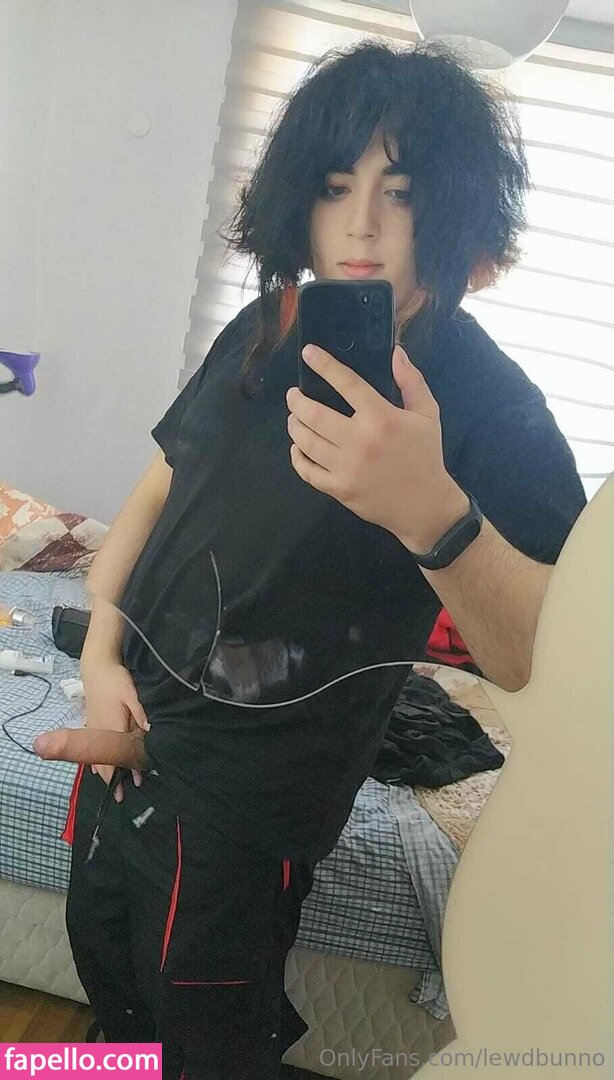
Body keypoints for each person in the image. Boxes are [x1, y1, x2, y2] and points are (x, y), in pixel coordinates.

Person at [34, 39, 586, 1079]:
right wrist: (101, 653)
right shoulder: (264, 325)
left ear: (455, 209)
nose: (362, 223)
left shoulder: (492, 405)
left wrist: (433, 516)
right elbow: (160, 487)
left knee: (205, 1050)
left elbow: (547, 661)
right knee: (113, 1006)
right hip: (121, 733)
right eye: (335, 186)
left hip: (246, 807)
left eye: (401, 192)